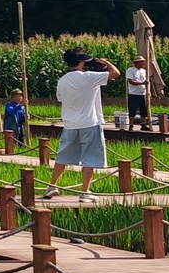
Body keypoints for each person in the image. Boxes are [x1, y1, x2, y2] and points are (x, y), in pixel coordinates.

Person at [46, 48, 117, 203]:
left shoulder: (62, 80)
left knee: (62, 157)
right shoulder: (89, 77)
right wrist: (105, 62)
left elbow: (60, 98)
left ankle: (52, 186)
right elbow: (115, 73)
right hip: (89, 123)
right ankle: (85, 192)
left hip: (70, 124)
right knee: (89, 159)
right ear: (81, 62)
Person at [124, 56, 152, 130]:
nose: (143, 63)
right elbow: (131, 81)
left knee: (143, 110)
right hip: (133, 93)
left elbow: (147, 82)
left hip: (142, 93)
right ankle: (131, 125)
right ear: (137, 63)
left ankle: (143, 125)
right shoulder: (131, 70)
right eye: (141, 62)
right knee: (132, 110)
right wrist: (142, 83)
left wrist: (149, 91)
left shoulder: (144, 71)